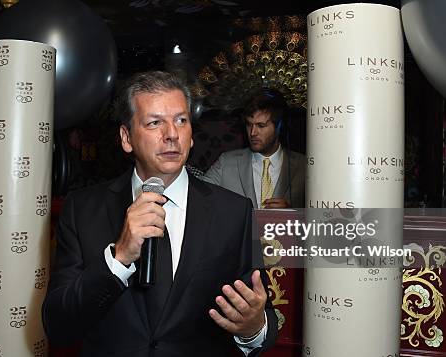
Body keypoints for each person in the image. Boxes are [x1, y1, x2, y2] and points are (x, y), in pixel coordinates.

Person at [42, 71, 277, 356]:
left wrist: (253, 328)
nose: (172, 135)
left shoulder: (234, 212)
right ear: (126, 137)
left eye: (181, 120)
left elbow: (261, 315)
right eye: (155, 123)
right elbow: (59, 325)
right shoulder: (83, 210)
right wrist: (119, 258)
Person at [203, 90, 306, 208]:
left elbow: (324, 216)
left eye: (261, 126)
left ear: (279, 127)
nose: (252, 133)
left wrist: (293, 214)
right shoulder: (226, 162)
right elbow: (198, 195)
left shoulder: (304, 166)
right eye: (249, 124)